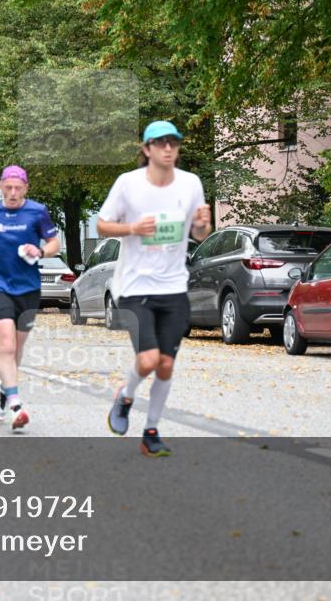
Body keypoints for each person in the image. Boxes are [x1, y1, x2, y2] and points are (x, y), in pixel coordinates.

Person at [98, 121, 212, 457]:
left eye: (173, 143)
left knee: (165, 365)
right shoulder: (128, 184)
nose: (168, 149)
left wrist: (203, 224)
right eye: (160, 143)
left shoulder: (191, 183)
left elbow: (201, 234)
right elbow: (102, 225)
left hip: (174, 287)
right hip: (134, 286)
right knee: (147, 359)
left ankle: (151, 431)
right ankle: (126, 396)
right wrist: (132, 227)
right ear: (146, 149)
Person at [0, 165, 60, 430]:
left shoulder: (37, 212)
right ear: (1, 188)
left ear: (26, 188)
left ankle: (5, 388)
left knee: (16, 348)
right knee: (6, 345)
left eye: (18, 188)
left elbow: (54, 244)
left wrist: (39, 251)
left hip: (29, 288)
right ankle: (16, 404)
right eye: (9, 187)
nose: (13, 192)